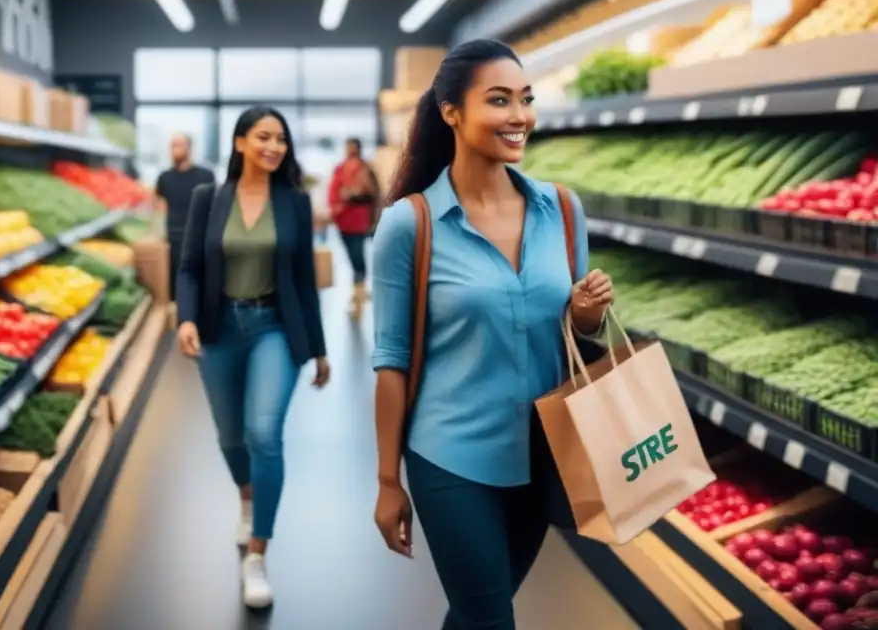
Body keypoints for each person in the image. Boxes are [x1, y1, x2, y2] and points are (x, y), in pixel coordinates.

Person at [370, 40, 614, 630]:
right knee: (489, 616)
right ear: (451, 111)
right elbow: (392, 361)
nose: (519, 116)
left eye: (526, 100)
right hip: (451, 454)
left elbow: (576, 339)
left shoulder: (562, 208)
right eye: (499, 100)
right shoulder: (411, 224)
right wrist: (386, 481)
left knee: (481, 609)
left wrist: (584, 314)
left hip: (542, 450)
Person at [175, 106, 330, 610]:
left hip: (275, 330)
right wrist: (186, 318)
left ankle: (257, 553)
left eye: (281, 139)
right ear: (240, 142)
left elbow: (304, 277)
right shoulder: (208, 199)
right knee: (230, 435)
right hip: (220, 330)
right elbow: (190, 268)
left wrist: (320, 349)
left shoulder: (294, 203)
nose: (274, 146)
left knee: (263, 432)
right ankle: (246, 495)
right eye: (263, 137)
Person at [155, 134, 215, 301]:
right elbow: (159, 208)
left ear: (189, 147)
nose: (174, 150)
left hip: (200, 237)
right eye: (172, 146)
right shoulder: (164, 177)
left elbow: (214, 207)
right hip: (173, 238)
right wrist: (158, 235)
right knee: (177, 285)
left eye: (178, 145)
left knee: (201, 283)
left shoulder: (206, 176)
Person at [328, 137, 378, 318]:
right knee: (352, 258)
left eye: (351, 147)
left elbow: (370, 194)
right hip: (343, 220)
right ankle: (358, 294)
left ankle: (358, 297)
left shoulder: (364, 169)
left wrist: (350, 196)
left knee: (358, 260)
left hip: (358, 221)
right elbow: (334, 192)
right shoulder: (340, 168)